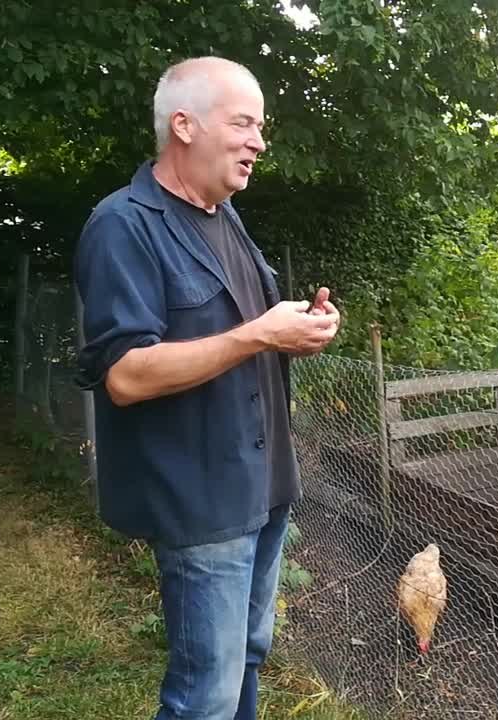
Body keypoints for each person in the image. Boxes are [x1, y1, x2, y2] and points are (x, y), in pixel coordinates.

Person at [73, 55, 340, 720]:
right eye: (245, 123)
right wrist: (258, 336)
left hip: (266, 482)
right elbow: (127, 376)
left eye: (261, 126)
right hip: (201, 497)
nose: (259, 141)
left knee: (247, 656)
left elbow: (244, 333)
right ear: (184, 125)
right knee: (206, 695)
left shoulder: (226, 219)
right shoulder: (124, 225)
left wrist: (300, 329)